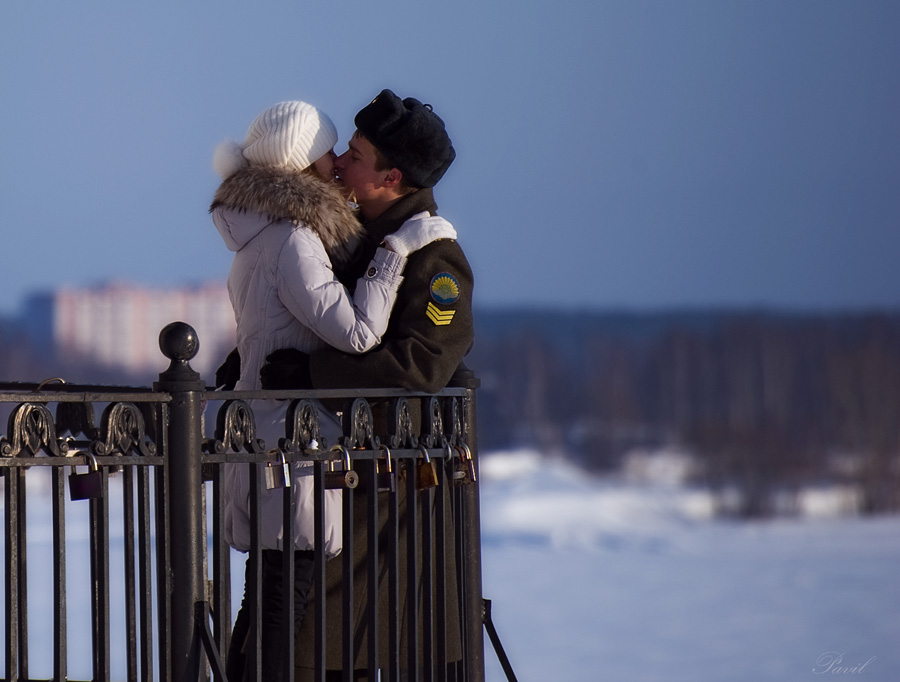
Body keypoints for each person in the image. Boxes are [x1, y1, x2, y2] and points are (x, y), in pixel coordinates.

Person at [210, 99, 456, 682]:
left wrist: (289, 367)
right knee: (284, 610)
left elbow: (422, 362)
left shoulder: (428, 253)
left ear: (392, 176)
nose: (341, 163)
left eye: (353, 154)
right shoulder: (316, 236)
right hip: (301, 454)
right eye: (335, 152)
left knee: (285, 609)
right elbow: (355, 331)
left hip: (366, 480)